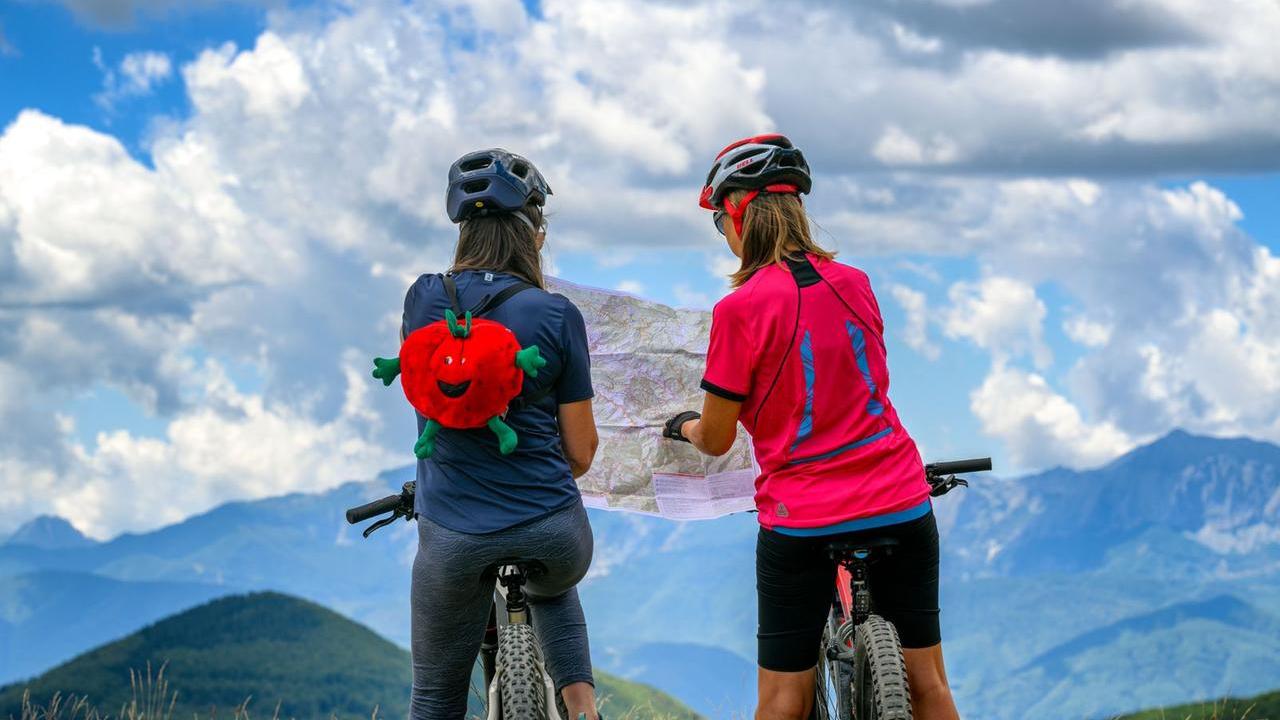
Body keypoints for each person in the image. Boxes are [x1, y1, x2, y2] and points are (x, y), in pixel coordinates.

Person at [664, 135, 960, 720]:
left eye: (720, 222)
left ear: (737, 216)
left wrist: (686, 427)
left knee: (783, 700)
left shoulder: (739, 309)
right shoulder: (856, 284)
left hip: (802, 518)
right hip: (899, 498)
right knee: (929, 686)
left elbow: (718, 438)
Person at [402, 148, 601, 720]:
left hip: (452, 538)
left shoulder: (423, 299)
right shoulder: (556, 314)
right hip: (554, 533)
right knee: (552, 586)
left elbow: (427, 404)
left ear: (463, 232)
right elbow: (581, 451)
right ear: (533, 235)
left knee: (435, 698)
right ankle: (584, 709)